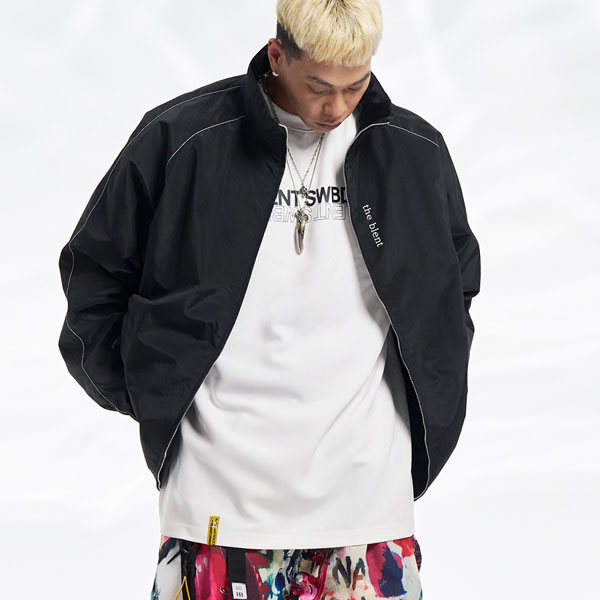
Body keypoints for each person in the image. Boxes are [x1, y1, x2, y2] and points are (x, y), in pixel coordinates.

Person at [57, 1, 481, 598]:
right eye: (319, 87)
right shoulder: (184, 139)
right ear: (277, 56)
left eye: (356, 85)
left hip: (367, 504)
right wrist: (156, 392)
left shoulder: (412, 152)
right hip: (217, 502)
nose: (337, 107)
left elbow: (452, 293)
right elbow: (95, 277)